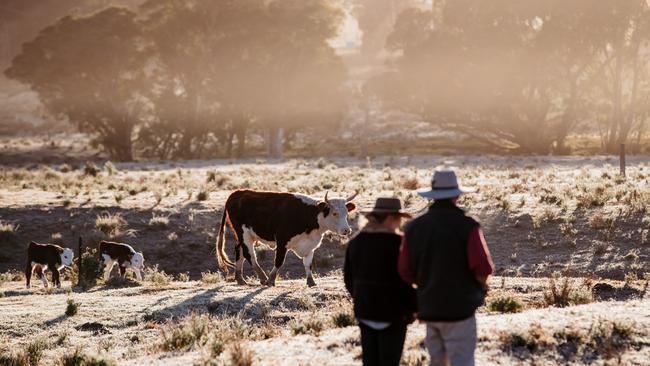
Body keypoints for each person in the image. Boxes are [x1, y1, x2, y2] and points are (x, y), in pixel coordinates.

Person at [398, 169, 494, 366]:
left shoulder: (414, 227)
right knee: (462, 361)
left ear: (432, 195)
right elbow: (483, 269)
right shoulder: (468, 225)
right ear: (457, 196)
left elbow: (404, 270)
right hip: (461, 308)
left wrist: (426, 286)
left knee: (437, 361)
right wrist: (481, 289)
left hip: (429, 307)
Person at [344, 197, 417, 366]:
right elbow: (405, 282)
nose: (400, 224)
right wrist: (415, 308)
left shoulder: (356, 242)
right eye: (399, 219)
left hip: (365, 312)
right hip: (394, 315)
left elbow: (349, 279)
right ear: (391, 218)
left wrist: (361, 298)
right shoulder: (399, 243)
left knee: (370, 362)